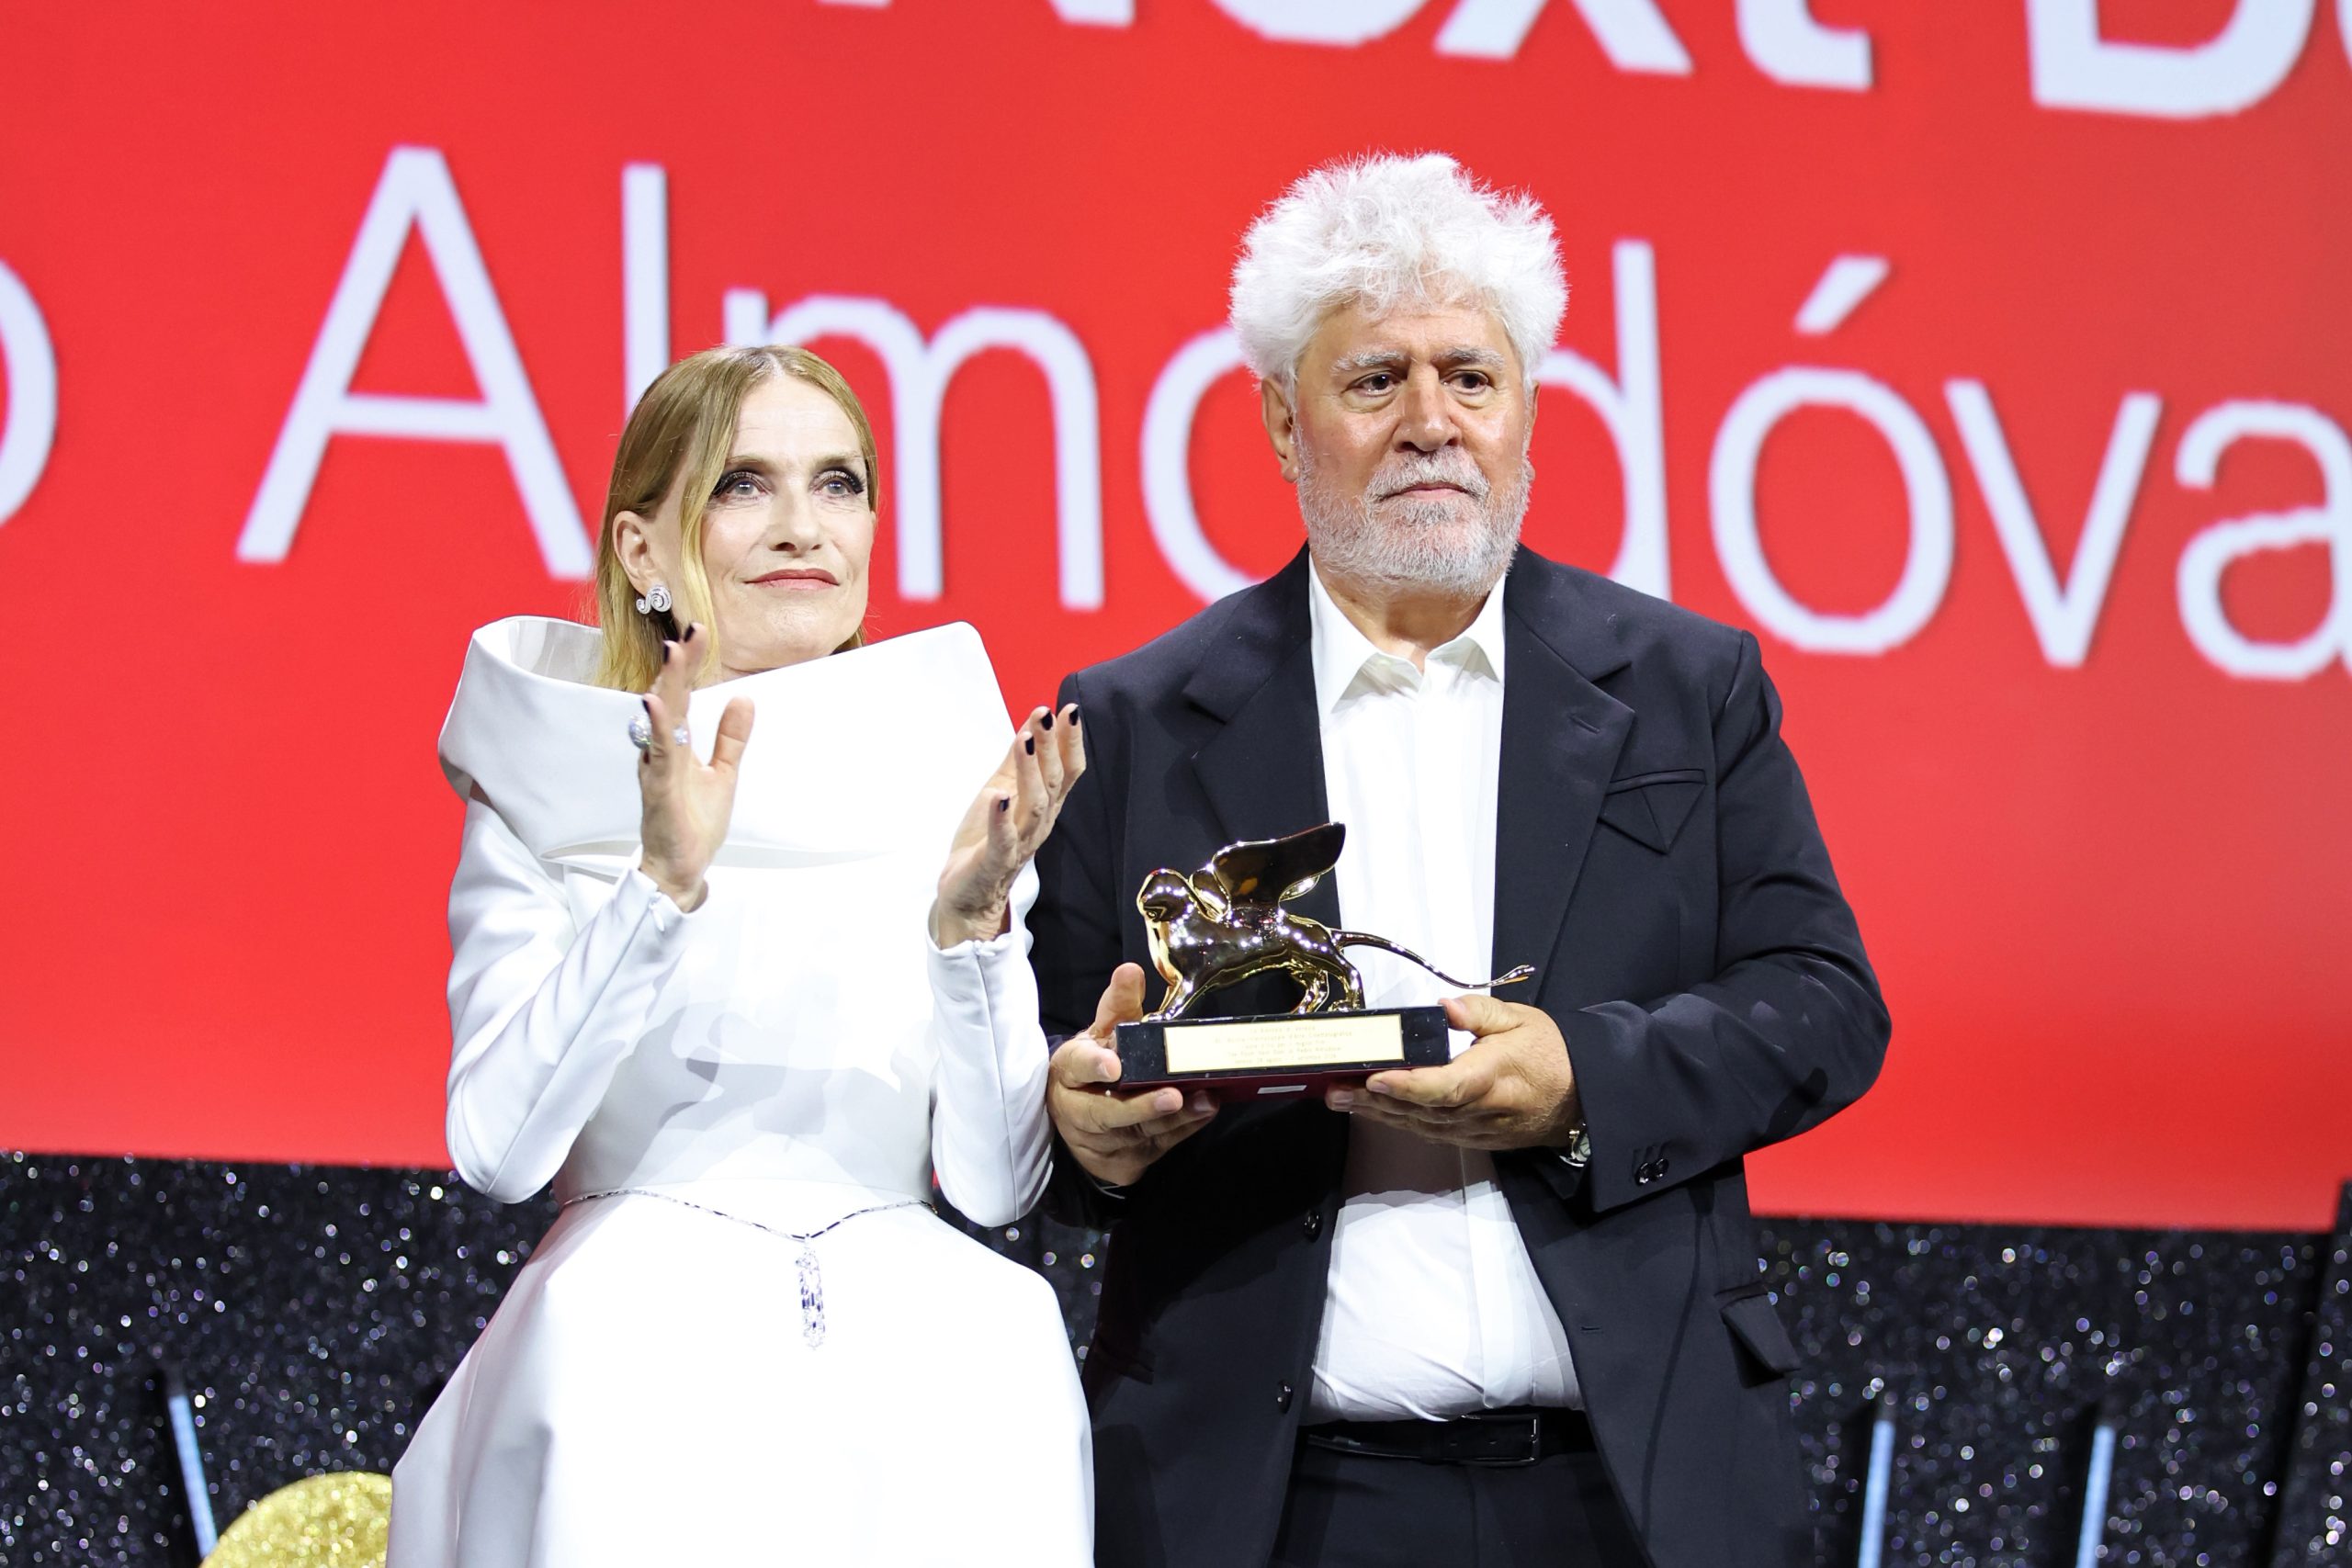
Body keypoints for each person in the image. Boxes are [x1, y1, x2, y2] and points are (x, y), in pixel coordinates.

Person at [1031, 154, 1891, 1568]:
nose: (1431, 422)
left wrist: (1577, 1081)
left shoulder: (1689, 686)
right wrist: (1082, 1132)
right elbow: (1056, 1091)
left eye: (1471, 379)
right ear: (1279, 420)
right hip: (1266, 1508)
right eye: (1375, 381)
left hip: (1637, 1492)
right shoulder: (1130, 720)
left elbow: (1825, 1006)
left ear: (1527, 414)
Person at [387, 344, 1091, 1566]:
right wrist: (661, 887)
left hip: (919, 1375)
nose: (802, 527)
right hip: (632, 1366)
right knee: (597, 1348)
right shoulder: (549, 779)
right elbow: (497, 1150)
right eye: (742, 485)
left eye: (839, 483)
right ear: (641, 551)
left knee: (1008, 1334)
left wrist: (968, 930)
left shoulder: (951, 778)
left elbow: (994, 1186)